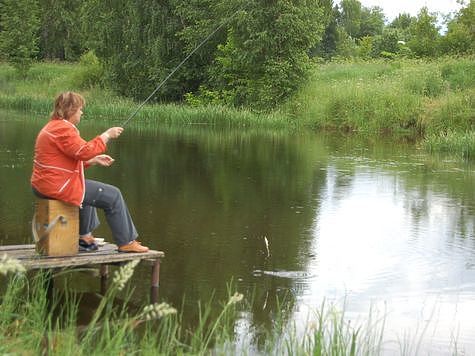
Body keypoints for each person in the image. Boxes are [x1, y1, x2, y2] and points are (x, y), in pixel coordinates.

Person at [31, 91, 149, 253]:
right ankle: (126, 242)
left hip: (46, 184)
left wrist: (93, 160)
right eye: (80, 109)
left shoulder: (54, 126)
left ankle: (84, 237)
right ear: (71, 110)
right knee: (113, 195)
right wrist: (106, 135)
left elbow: (69, 158)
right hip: (55, 186)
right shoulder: (63, 129)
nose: (82, 112)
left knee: (85, 190)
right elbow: (84, 150)